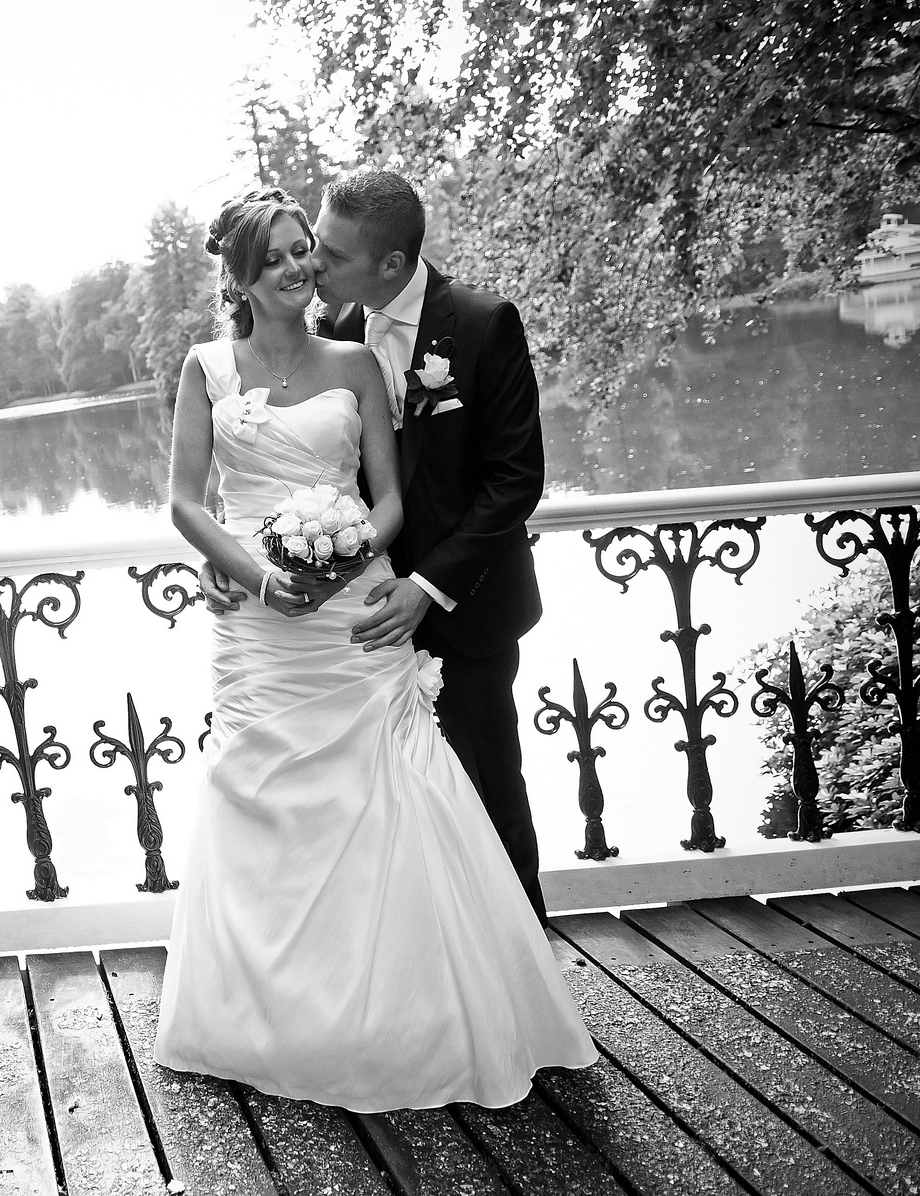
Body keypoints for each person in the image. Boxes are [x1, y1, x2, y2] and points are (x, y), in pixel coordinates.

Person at [154, 185, 594, 1112]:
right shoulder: (233, 357)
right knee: (270, 799)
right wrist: (239, 567)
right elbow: (196, 498)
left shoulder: (436, 335)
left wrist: (367, 561)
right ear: (239, 276)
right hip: (271, 619)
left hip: (401, 600)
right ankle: (285, 1011)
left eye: (312, 249)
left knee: (448, 792)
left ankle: (493, 990)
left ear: (383, 262)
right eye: (283, 253)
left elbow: (472, 484)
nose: (305, 265)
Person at [198, 171, 550, 924]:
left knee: (485, 798)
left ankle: (521, 969)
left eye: (329, 253)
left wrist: (427, 584)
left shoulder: (483, 324)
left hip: (463, 607)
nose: (313, 265)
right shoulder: (330, 331)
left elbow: (515, 481)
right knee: (375, 815)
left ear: (390, 263)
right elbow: (296, 468)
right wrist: (228, 553)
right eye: (310, 247)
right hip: (352, 613)